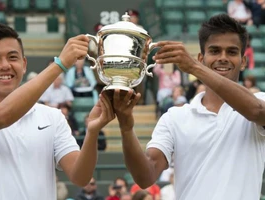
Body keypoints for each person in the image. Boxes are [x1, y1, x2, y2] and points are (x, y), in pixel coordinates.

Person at [110, 14, 265, 200]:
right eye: (214, 51)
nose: (223, 58)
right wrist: (126, 130)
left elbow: (257, 111)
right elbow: (146, 176)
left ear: (243, 62)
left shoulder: (258, 101)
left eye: (232, 52)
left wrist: (194, 68)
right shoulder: (175, 117)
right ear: (201, 57)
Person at [0, 23, 115, 200]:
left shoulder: (53, 117)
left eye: (12, 57)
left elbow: (80, 177)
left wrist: (92, 131)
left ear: (24, 64)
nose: (5, 65)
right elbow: (2, 116)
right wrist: (59, 65)